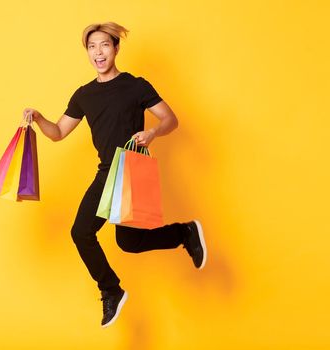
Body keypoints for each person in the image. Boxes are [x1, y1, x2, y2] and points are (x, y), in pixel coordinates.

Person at [22, 22, 207, 328]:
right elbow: (57, 133)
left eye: (105, 45)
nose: (99, 52)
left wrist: (153, 132)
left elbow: (170, 119)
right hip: (108, 170)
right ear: (88, 53)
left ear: (116, 48)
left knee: (109, 238)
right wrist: (40, 117)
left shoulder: (135, 86)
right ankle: (175, 240)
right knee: (107, 237)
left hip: (132, 167)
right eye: (92, 47)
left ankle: (173, 241)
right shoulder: (84, 95)